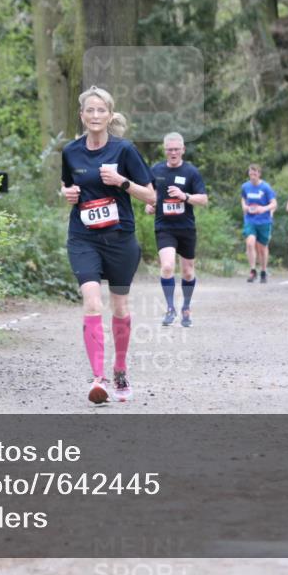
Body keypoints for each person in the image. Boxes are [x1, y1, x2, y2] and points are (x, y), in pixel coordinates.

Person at [61, 86, 156, 404]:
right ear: (82, 116)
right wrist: (68, 195)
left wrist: (122, 183)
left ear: (110, 115)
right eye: (90, 110)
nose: (96, 115)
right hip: (83, 237)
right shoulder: (71, 151)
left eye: (101, 110)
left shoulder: (125, 151)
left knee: (120, 307)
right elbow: (67, 185)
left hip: (120, 238)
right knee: (91, 301)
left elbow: (152, 195)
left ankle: (119, 368)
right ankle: (97, 378)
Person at [144, 132, 208, 327]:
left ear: (183, 150)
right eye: (169, 149)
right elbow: (150, 194)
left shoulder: (191, 172)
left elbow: (203, 199)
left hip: (186, 227)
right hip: (164, 227)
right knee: (167, 267)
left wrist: (184, 196)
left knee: (188, 272)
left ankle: (186, 307)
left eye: (176, 149)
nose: (173, 153)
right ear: (165, 150)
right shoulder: (156, 170)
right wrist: (150, 204)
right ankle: (170, 308)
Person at [240, 164, 277, 283]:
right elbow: (243, 199)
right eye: (250, 174)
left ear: (259, 174)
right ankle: (252, 270)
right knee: (250, 243)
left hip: (264, 221)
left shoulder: (266, 187)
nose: (252, 176)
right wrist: (244, 207)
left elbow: (274, 204)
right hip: (250, 220)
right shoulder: (245, 186)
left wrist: (264, 209)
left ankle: (263, 271)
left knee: (262, 248)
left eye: (255, 174)